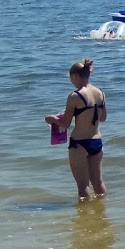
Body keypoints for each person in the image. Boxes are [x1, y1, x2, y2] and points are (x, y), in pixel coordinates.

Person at [46, 58, 107, 201]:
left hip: (79, 143)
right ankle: (101, 213)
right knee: (98, 182)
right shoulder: (100, 93)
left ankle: (84, 219)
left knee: (82, 185)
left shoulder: (74, 96)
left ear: (75, 76)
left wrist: (53, 119)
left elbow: (65, 124)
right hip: (97, 141)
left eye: (71, 78)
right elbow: (103, 117)